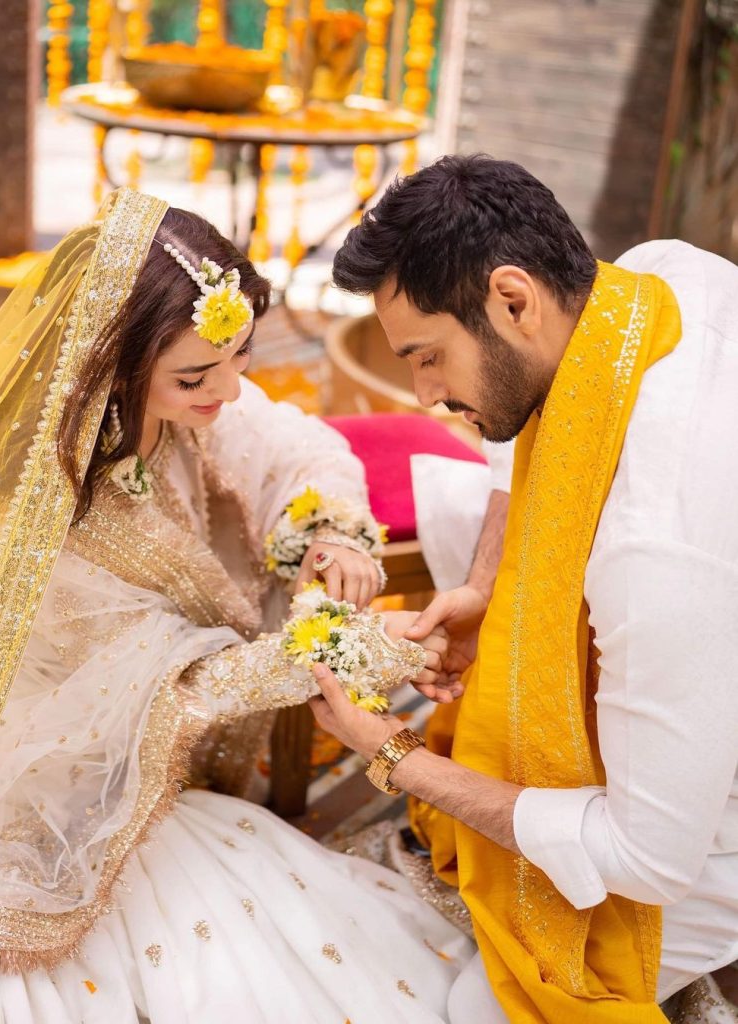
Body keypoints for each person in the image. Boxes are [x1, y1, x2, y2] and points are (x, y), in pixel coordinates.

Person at [0, 188, 472, 1023]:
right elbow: (184, 685)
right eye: (196, 375)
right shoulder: (31, 516)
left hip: (166, 740)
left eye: (241, 358)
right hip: (75, 787)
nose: (228, 391)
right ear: (113, 359)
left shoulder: (181, 404)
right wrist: (362, 649)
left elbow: (290, 443)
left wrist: (329, 535)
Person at [312, 154, 738, 1023]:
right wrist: (486, 584)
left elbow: (648, 855)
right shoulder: (653, 281)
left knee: (485, 1003)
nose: (425, 394)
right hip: (695, 642)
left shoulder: (654, 553)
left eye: (429, 357)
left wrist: (399, 757)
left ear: (513, 299)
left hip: (708, 822)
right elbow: (522, 429)